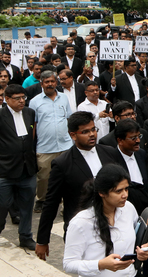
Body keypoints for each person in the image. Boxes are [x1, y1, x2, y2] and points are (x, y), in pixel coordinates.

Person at [35, 112, 119, 261]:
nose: (92, 134)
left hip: (113, 224)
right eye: (85, 132)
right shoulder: (62, 164)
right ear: (73, 135)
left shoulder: (110, 153)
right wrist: (43, 240)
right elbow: (51, 202)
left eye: (93, 129)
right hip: (82, 229)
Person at [63, 164, 148, 276]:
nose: (125, 195)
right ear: (102, 193)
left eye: (126, 189)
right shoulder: (82, 222)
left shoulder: (128, 208)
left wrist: (146, 247)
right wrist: (100, 264)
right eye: (118, 191)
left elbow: (141, 234)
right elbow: (69, 264)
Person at [29, 70, 73, 213]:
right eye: (46, 82)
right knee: (43, 177)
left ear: (56, 82)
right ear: (41, 83)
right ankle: (41, 200)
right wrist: (31, 145)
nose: (50, 84)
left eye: (52, 81)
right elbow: (33, 125)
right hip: (45, 146)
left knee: (67, 176)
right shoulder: (34, 102)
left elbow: (68, 119)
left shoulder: (64, 98)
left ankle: (67, 203)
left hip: (65, 144)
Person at [0, 84, 37, 250]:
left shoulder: (29, 113)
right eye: (17, 98)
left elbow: (32, 137)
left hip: (27, 169)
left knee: (27, 206)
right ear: (7, 99)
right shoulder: (1, 115)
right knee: (2, 205)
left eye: (23, 98)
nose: (22, 101)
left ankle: (25, 236)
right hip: (5, 170)